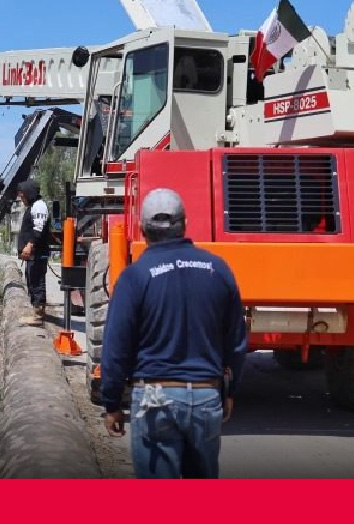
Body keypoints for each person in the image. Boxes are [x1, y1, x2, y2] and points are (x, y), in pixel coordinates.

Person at [98, 188, 247, 478]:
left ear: (142, 229)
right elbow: (237, 341)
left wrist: (112, 403)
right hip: (206, 395)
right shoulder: (218, 269)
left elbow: (116, 348)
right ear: (184, 224)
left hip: (155, 398)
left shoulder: (135, 276)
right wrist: (230, 390)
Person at [15, 180, 50, 324]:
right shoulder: (32, 207)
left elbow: (38, 229)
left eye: (22, 197)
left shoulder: (39, 206)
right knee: (32, 280)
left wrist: (29, 246)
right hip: (33, 255)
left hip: (37, 253)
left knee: (37, 282)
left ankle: (38, 315)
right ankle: (36, 311)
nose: (22, 200)